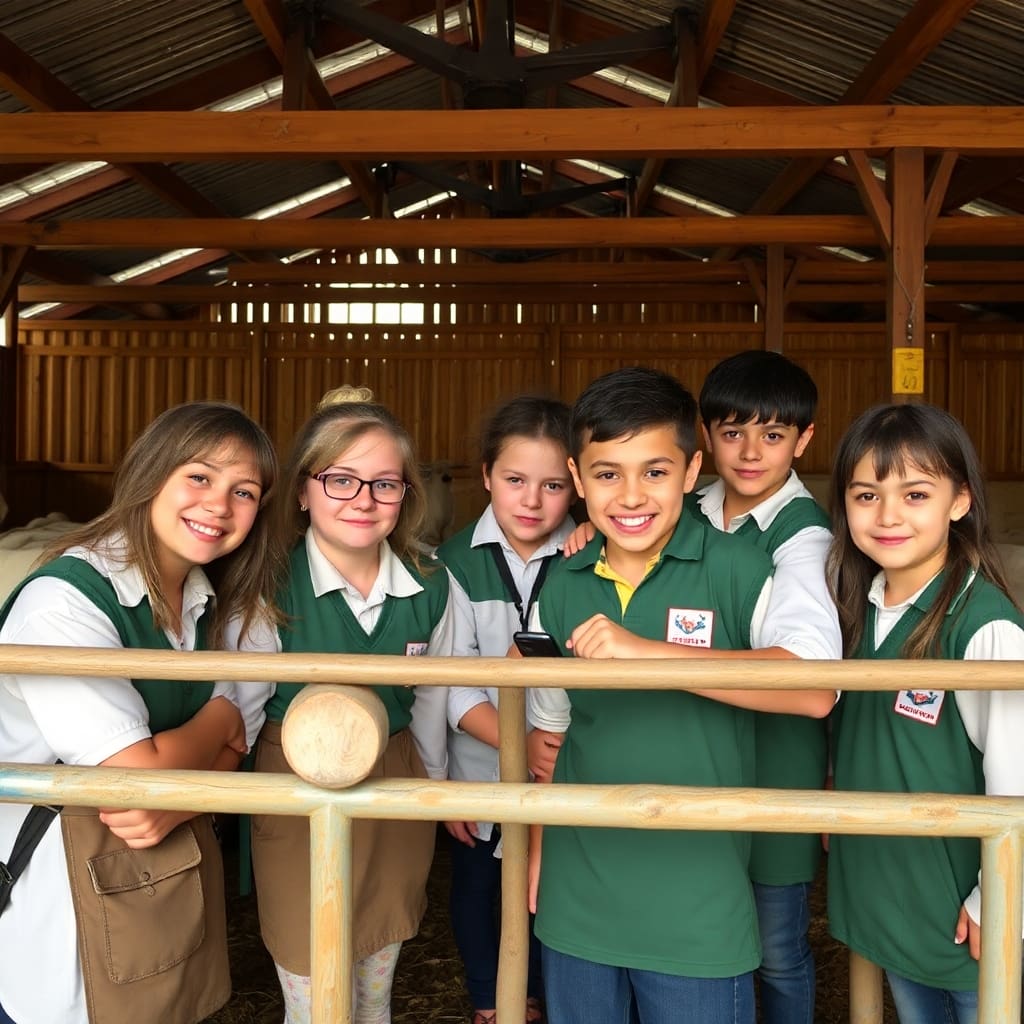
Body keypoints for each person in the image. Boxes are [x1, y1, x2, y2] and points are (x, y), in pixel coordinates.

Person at [525, 367, 834, 1024]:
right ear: (577, 482)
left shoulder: (743, 569)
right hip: (577, 889)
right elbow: (551, 736)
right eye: (607, 474)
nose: (631, 495)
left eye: (655, 472)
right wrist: (540, 855)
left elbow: (815, 691)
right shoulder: (564, 582)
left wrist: (645, 653)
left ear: (693, 472)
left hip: (698, 895)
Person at [0, 401, 282, 1024]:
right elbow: (135, 775)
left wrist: (181, 792)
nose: (220, 504)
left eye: (245, 491)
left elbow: (189, 784)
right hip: (59, 889)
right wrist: (217, 723)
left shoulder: (217, 604)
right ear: (153, 473)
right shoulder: (62, 604)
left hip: (164, 874)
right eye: (200, 477)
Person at [250, 386, 453, 1024]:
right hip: (294, 778)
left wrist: (437, 792)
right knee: (310, 983)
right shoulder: (266, 585)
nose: (363, 500)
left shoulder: (430, 582)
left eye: (385, 484)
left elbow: (432, 698)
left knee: (376, 972)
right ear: (305, 490)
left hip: (394, 777)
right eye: (341, 480)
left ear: (406, 495)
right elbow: (242, 705)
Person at [825, 403, 1024, 1024]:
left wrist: (995, 900)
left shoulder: (984, 626)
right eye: (866, 495)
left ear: (959, 501)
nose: (887, 516)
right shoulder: (854, 609)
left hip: (962, 905)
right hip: (891, 890)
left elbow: (1018, 778)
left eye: (915, 493)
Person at [690, 350, 841, 1024]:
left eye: (774, 435)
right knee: (694, 926)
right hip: (694, 756)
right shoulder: (684, 510)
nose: (751, 453)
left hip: (779, 762)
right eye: (732, 432)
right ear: (706, 434)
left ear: (804, 440)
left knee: (777, 944)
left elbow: (811, 682)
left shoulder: (804, 536)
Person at [439, 395, 576, 1024]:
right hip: (482, 769)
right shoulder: (454, 563)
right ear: (487, 475)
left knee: (548, 890)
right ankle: (491, 999)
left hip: (567, 767)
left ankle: (546, 996)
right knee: (477, 890)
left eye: (552, 485)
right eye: (515, 480)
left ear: (575, 483)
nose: (531, 501)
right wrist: (516, 744)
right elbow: (454, 683)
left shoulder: (591, 555)